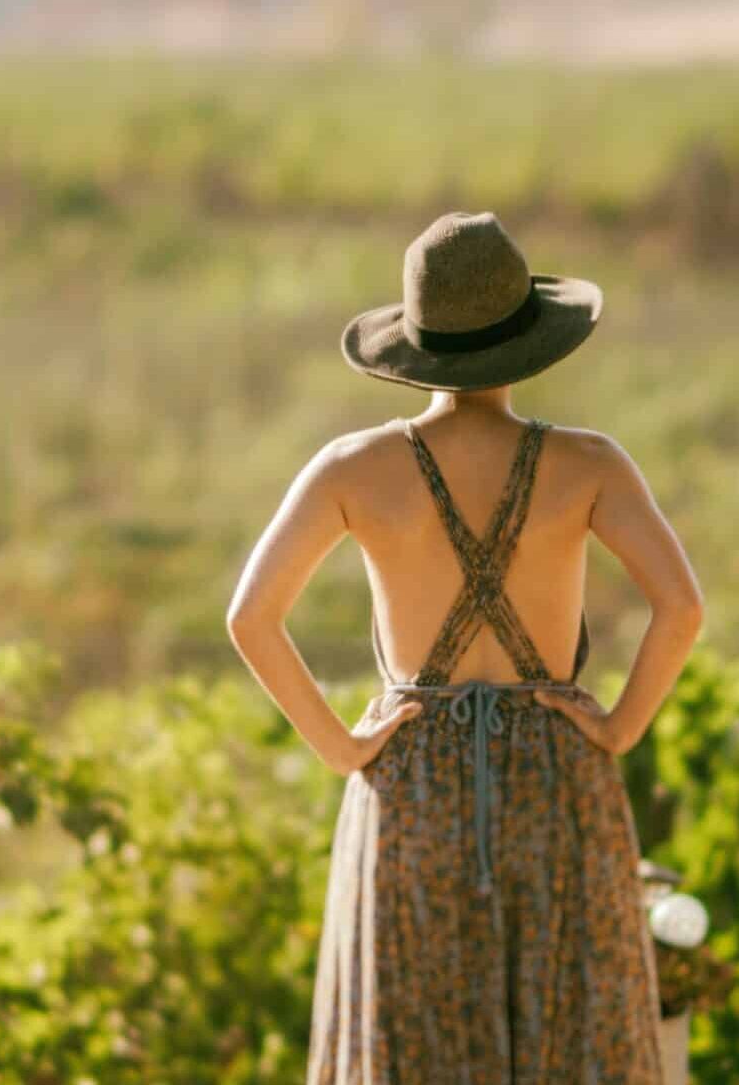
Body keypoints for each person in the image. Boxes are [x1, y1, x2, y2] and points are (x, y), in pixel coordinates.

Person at [224, 212, 705, 1084]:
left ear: (416, 346)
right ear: (530, 338)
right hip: (558, 778)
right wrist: (622, 727)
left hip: (410, 779)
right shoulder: (590, 463)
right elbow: (681, 607)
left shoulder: (350, 467)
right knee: (574, 1036)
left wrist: (343, 747)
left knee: (412, 1043)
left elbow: (250, 617)